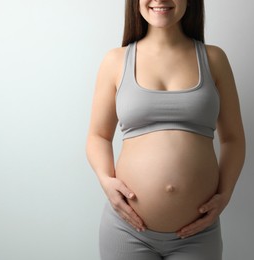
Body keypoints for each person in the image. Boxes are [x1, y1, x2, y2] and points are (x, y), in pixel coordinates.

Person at [86, 0, 245, 259]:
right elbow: (98, 136)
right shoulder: (116, 61)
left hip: (198, 234)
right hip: (127, 231)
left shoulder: (214, 59)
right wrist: (106, 181)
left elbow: (233, 139)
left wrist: (225, 193)